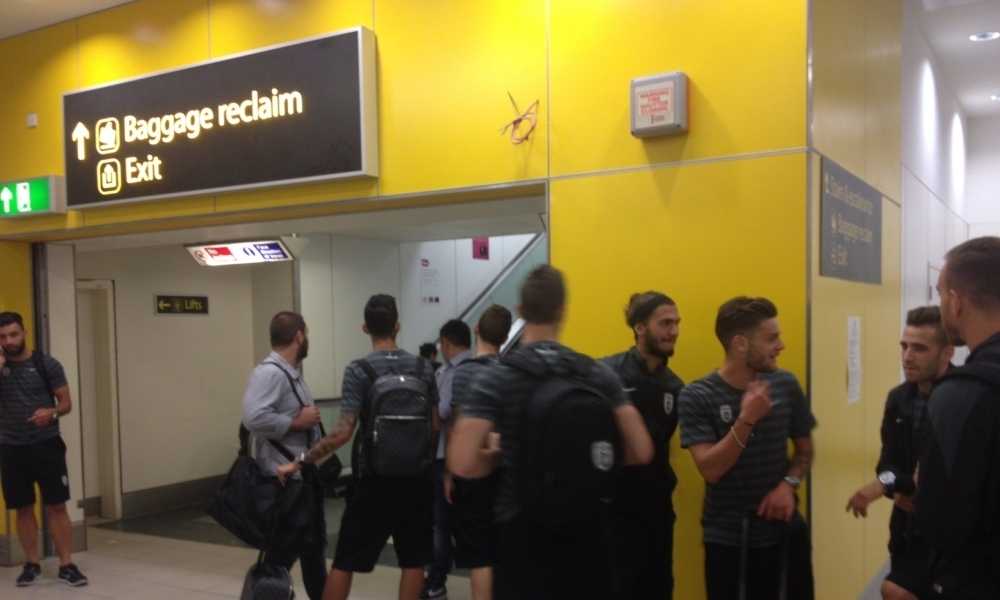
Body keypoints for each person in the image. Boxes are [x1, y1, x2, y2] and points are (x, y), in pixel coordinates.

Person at [447, 265, 653, 600]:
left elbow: (462, 462)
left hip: (521, 532)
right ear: (562, 310)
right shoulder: (595, 372)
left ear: (521, 311)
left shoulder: (498, 377)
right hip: (588, 531)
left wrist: (499, 456)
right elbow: (641, 450)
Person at [277, 294, 439, 600]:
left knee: (346, 560)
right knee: (414, 560)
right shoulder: (423, 368)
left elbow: (342, 433)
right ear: (398, 326)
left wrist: (301, 460)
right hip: (417, 480)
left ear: (365, 328)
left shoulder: (359, 370)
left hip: (373, 482)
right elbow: (434, 426)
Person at [678, 297, 816, 600]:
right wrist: (747, 419)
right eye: (771, 338)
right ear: (740, 344)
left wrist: (788, 484)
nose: (781, 345)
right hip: (728, 540)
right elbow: (711, 470)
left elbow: (805, 452)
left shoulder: (785, 384)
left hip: (784, 533)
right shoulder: (696, 396)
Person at [845, 306, 953, 600]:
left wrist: (890, 486)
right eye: (904, 346)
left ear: (947, 353)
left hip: (952, 536)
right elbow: (887, 465)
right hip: (907, 529)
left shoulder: (962, 398)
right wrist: (890, 483)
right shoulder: (899, 399)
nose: (907, 356)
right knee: (894, 590)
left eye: (920, 348)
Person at [916, 237, 1000, 599]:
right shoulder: (903, 401)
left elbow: (938, 520)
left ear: (955, 301)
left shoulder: (959, 395)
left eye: (940, 294)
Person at [600, 291, 684, 599]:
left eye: (676, 323)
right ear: (639, 327)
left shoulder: (675, 386)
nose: (673, 331)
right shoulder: (606, 374)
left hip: (657, 512)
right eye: (665, 323)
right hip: (613, 513)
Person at [241, 311, 326, 600]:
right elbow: (253, 417)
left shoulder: (290, 373)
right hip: (286, 482)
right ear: (299, 336)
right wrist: (295, 422)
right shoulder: (270, 373)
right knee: (280, 556)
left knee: (313, 553)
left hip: (302, 478)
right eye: (307, 334)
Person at [0, 311, 88, 588]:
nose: (9, 341)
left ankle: (67, 564)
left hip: (46, 444)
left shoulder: (46, 364)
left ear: (24, 333)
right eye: (2, 337)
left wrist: (52, 413)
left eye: (13, 334)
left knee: (57, 505)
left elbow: (66, 403)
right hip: (11, 447)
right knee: (22, 508)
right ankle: (32, 564)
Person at [447, 305, 513, 600]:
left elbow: (458, 426)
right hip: (505, 468)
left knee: (479, 556)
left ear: (476, 329)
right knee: (502, 549)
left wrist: (449, 473)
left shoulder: (463, 373)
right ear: (505, 337)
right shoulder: (510, 372)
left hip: (473, 469)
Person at [423, 319, 473, 600]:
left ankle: (436, 581)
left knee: (441, 523)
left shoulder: (453, 373)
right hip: (478, 457)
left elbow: (441, 413)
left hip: (446, 457)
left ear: (446, 342)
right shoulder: (480, 367)